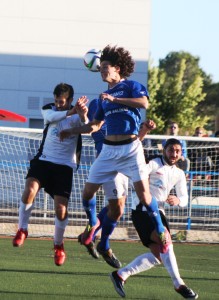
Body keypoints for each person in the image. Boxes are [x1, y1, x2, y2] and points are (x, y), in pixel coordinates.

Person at [60, 45, 167, 266]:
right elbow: (94, 126)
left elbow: (144, 103)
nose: (101, 70)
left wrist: (115, 100)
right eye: (100, 68)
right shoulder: (101, 99)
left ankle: (159, 230)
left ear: (117, 69)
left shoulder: (130, 86)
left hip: (130, 148)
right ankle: (92, 227)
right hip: (108, 151)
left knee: (144, 199)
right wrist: (71, 129)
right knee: (87, 193)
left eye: (105, 67)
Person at [110, 138, 198, 299]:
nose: (174, 153)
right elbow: (138, 172)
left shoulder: (178, 173)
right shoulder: (153, 163)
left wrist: (178, 200)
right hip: (142, 211)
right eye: (171, 150)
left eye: (178, 151)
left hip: (160, 213)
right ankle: (179, 284)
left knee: (160, 256)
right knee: (166, 240)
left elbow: (185, 198)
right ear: (164, 149)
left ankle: (121, 274)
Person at [12, 83, 89, 267]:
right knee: (30, 189)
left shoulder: (77, 113)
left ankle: (58, 245)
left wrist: (83, 113)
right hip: (44, 160)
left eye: (62, 101)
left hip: (64, 166)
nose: (58, 104)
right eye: (56, 101)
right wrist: (71, 112)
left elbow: (88, 126)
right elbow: (52, 116)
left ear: (70, 100)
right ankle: (22, 229)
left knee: (61, 210)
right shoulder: (49, 109)